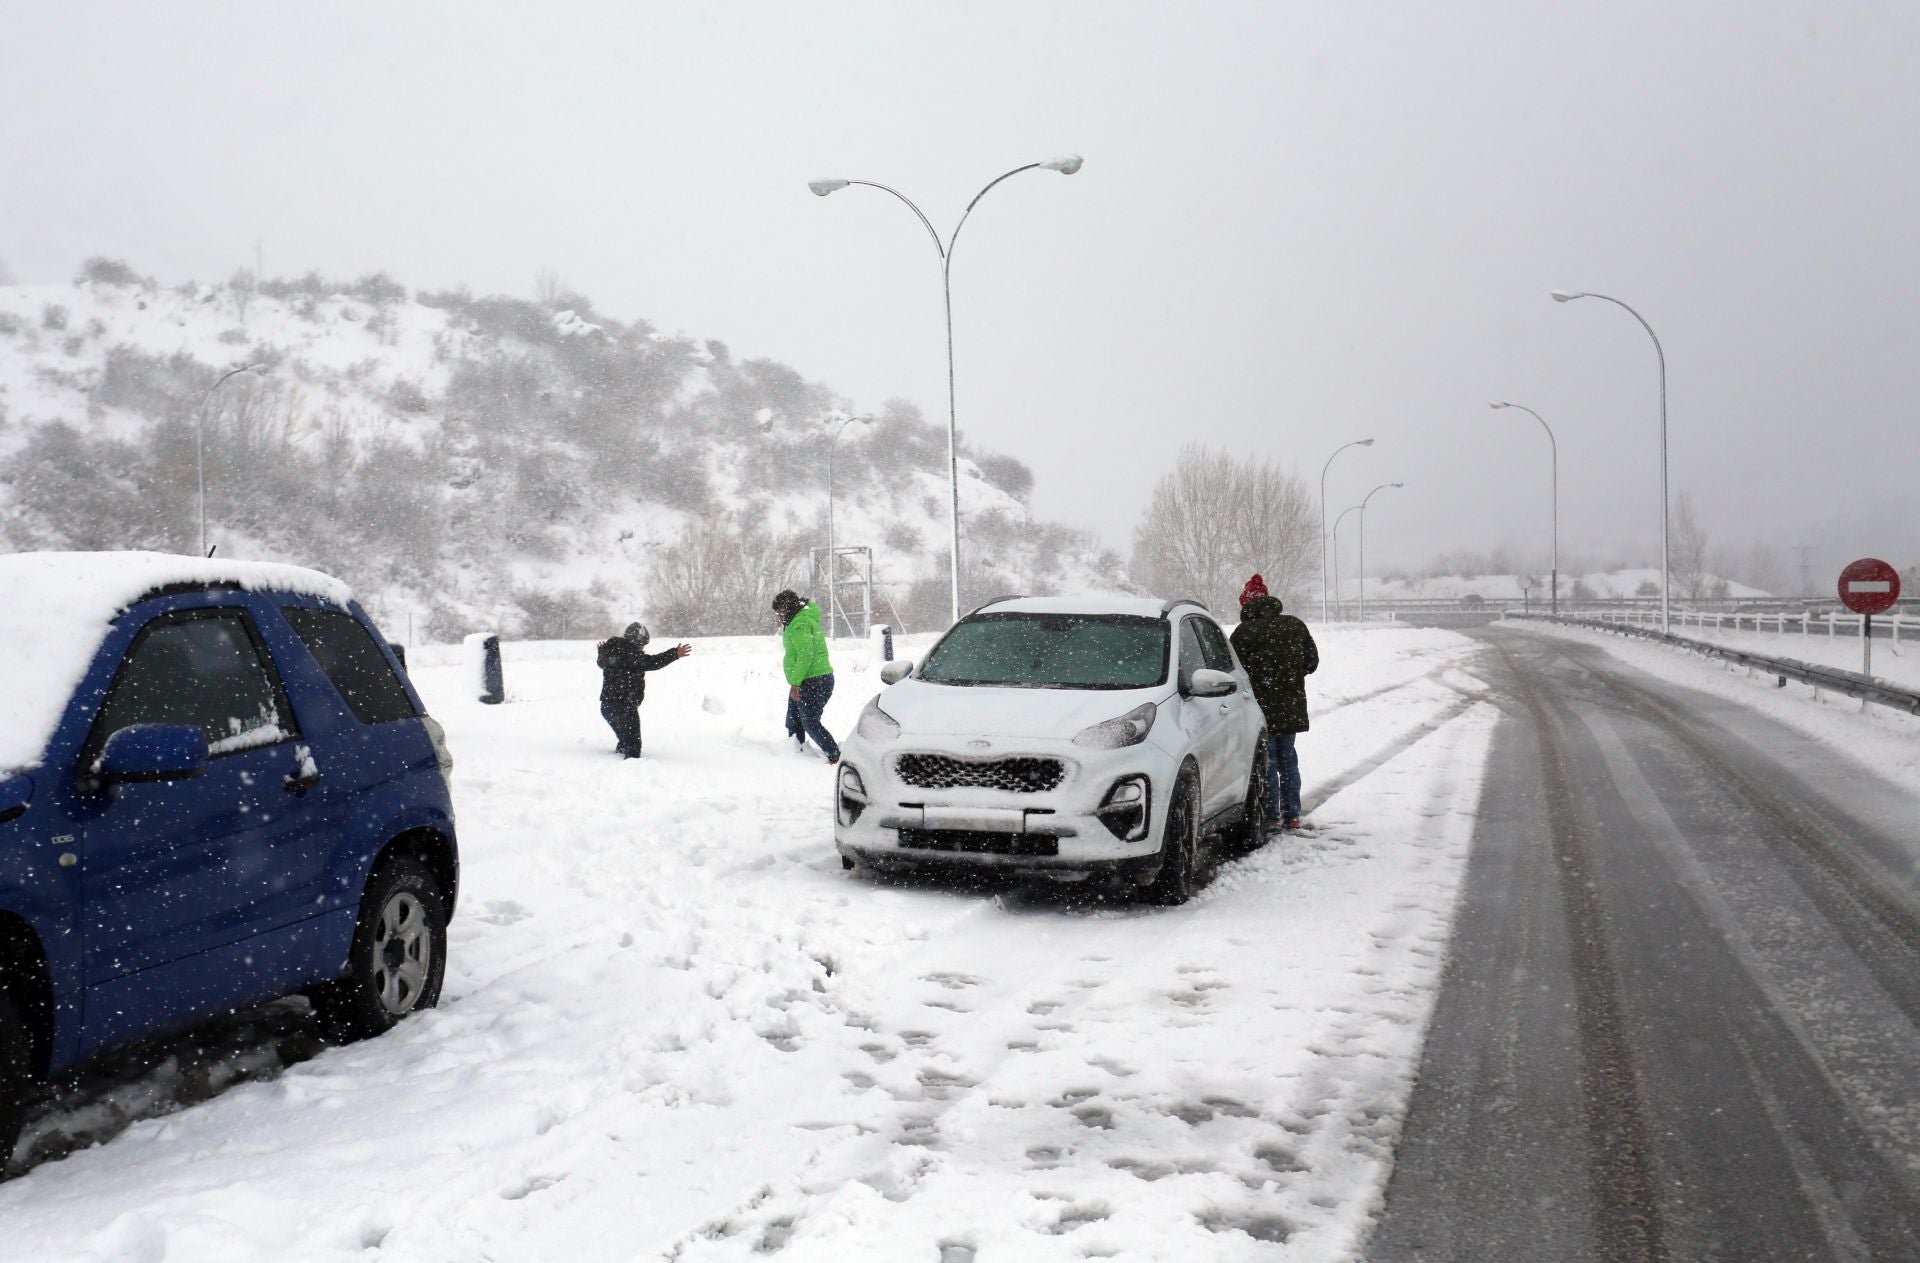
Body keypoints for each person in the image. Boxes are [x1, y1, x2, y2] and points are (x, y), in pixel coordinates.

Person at [1228, 574, 1319, 830]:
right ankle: (1291, 814)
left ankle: (1270, 816)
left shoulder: (1243, 634)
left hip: (1259, 709)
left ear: (1246, 605)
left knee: (1267, 761)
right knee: (1288, 759)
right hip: (1290, 705)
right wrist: (1289, 673)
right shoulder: (1294, 626)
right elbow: (1312, 662)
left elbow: (1234, 671)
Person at [595, 622, 691, 758]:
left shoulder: (611, 649)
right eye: (642, 644)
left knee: (625, 740)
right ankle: (631, 772)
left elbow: (601, 662)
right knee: (633, 746)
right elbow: (652, 662)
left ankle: (618, 762)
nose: (643, 648)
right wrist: (674, 653)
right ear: (635, 641)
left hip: (607, 706)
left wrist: (602, 652)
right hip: (625, 706)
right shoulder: (629, 654)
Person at [772, 589, 839, 763]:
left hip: (814, 680)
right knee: (793, 720)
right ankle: (796, 752)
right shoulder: (797, 621)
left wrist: (795, 682)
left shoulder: (799, 624)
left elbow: (806, 654)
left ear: (787, 608)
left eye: (780, 612)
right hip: (805, 679)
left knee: (809, 721)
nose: (779, 616)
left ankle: (834, 755)